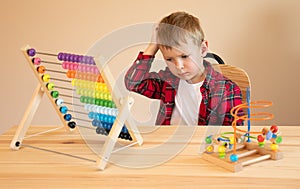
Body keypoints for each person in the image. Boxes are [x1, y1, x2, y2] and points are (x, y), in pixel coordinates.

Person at [124, 11, 243, 126]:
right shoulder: (168, 80)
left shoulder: (226, 89)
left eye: (184, 56)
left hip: (204, 145)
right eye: (169, 59)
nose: (179, 66)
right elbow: (133, 82)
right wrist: (152, 47)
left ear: (202, 49)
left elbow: (232, 133)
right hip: (169, 142)